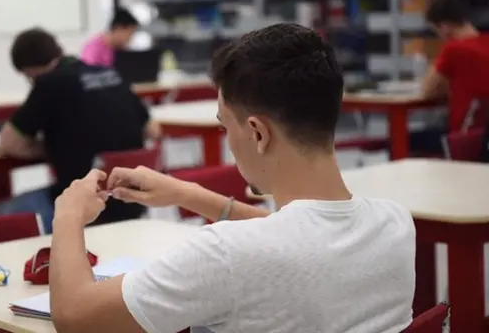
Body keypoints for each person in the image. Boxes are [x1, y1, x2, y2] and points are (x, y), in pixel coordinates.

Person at [48, 24, 416, 332]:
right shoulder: (395, 222)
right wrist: (185, 193)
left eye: (226, 126)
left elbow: (75, 316)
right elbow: (300, 233)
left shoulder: (224, 254)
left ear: (257, 133)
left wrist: (67, 215)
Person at [0, 28, 160, 234]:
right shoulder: (109, 73)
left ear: (30, 70)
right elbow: (153, 130)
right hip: (132, 203)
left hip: (84, 203)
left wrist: (51, 147)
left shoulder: (49, 83)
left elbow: (8, 144)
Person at [414, 0, 489, 153]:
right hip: (483, 137)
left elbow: (427, 91)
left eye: (436, 32)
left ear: (444, 26)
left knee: (404, 141)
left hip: (462, 138)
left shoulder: (453, 49)